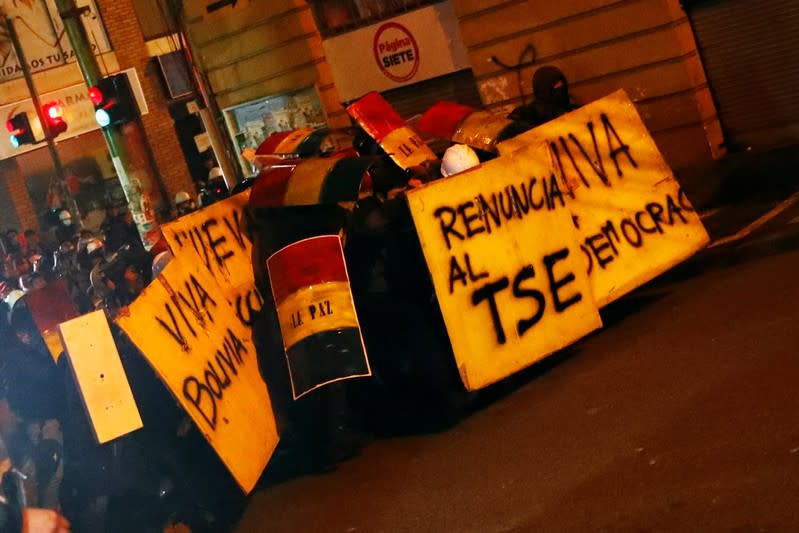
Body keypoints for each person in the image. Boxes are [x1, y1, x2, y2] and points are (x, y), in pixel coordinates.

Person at [508, 65, 578, 127]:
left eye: (562, 83)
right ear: (543, 88)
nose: (561, 86)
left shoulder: (573, 109)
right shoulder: (528, 115)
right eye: (556, 84)